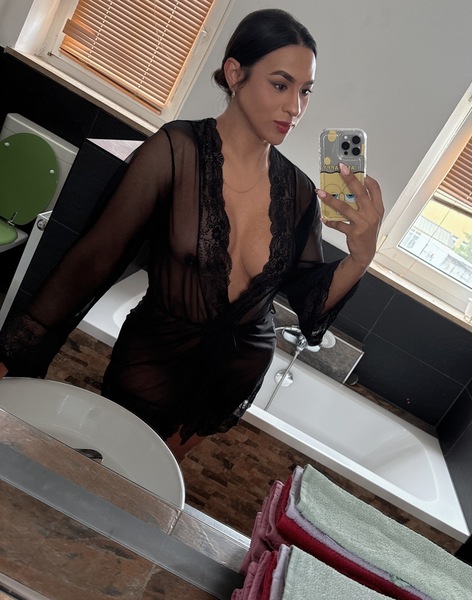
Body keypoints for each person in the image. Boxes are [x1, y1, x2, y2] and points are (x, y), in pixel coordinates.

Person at [0, 9, 383, 462]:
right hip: (152, 370)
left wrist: (360, 257)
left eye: (305, 91)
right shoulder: (174, 152)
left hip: (226, 390)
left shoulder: (297, 191)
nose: (295, 108)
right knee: (109, 476)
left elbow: (310, 300)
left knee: (153, 491)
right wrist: (14, 352)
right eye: (281, 85)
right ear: (235, 74)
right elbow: (95, 259)